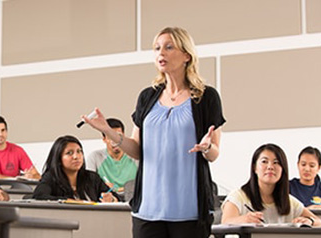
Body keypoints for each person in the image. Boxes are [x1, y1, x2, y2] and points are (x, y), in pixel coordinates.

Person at [83, 27, 225, 238]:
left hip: (189, 210)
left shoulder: (206, 97)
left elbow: (214, 154)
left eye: (169, 47)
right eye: (157, 48)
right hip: (148, 209)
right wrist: (107, 131)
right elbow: (137, 150)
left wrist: (206, 148)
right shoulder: (147, 97)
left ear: (186, 55)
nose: (161, 53)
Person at [221, 144, 321, 227]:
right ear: (254, 168)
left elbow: (319, 222)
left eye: (276, 163)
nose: (270, 167)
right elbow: (225, 222)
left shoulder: (289, 202)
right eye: (264, 162)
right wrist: (243, 219)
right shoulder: (238, 196)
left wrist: (310, 221)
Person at [32, 135, 119, 202]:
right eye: (69, 153)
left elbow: (117, 197)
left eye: (79, 152)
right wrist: (71, 202)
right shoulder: (51, 178)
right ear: (59, 159)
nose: (76, 157)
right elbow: (38, 196)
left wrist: (111, 199)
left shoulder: (92, 177)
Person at [87, 118, 138, 193]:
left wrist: (118, 190)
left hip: (133, 198)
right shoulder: (95, 157)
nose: (115, 141)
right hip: (108, 199)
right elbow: (90, 185)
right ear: (104, 139)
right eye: (110, 137)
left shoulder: (135, 156)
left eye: (118, 136)